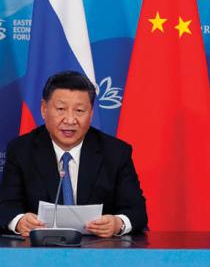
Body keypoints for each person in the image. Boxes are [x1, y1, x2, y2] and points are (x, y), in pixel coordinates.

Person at [0, 71, 147, 238]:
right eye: (61, 109)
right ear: (44, 109)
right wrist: (19, 221)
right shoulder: (21, 150)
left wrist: (117, 223)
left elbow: (137, 211)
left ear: (91, 113)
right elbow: (6, 205)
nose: (70, 120)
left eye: (79, 110)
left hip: (99, 254)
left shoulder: (115, 152)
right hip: (39, 253)